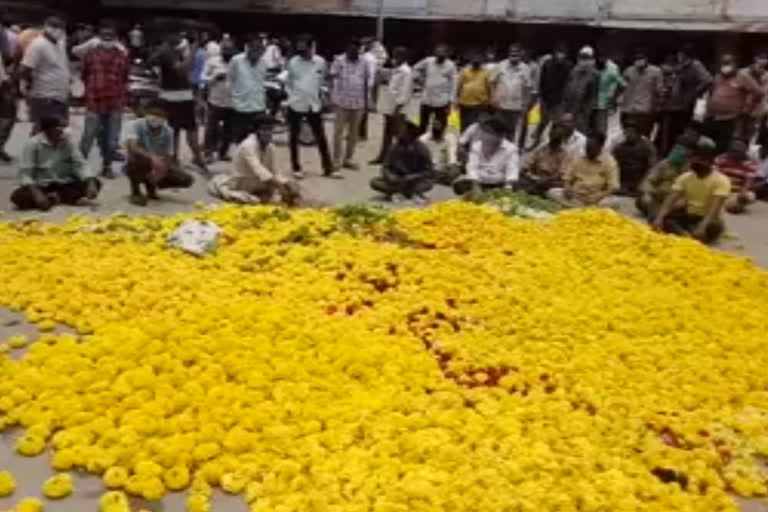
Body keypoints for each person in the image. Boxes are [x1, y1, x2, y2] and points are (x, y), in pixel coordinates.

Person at [11, 116, 100, 211]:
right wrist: (37, 193)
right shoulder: (33, 144)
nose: (64, 130)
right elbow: (25, 174)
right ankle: (52, 198)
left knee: (95, 183)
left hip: (63, 183)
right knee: (17, 197)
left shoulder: (68, 142)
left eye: (64, 126)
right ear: (49, 129)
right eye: (60, 127)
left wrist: (90, 181)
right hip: (41, 185)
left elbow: (80, 164)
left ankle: (55, 198)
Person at [77, 20, 130, 179]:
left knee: (111, 138)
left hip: (115, 102)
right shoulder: (90, 54)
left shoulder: (122, 55)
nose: (107, 38)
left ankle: (106, 167)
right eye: (104, 35)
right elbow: (84, 75)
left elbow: (125, 77)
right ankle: (79, 167)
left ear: (115, 38)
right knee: (88, 135)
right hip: (94, 100)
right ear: (99, 37)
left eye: (110, 35)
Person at [653, 136, 730, 244]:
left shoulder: (722, 181)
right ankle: (687, 236)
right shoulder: (685, 177)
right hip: (689, 215)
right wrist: (659, 218)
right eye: (692, 158)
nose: (692, 162)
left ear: (707, 162)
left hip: (709, 218)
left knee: (714, 228)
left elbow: (714, 209)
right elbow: (670, 199)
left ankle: (686, 234)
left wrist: (703, 226)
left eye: (697, 159)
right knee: (660, 218)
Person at [149, 31, 208, 172]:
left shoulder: (175, 51)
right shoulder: (166, 52)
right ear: (170, 35)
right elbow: (181, 70)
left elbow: (187, 71)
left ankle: (196, 158)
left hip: (184, 95)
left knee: (190, 129)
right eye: (179, 34)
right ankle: (175, 159)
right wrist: (193, 52)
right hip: (172, 97)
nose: (182, 38)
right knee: (175, 130)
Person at [209, 115, 299, 205]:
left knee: (289, 191)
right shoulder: (248, 145)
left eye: (270, 129)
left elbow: (275, 171)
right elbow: (258, 169)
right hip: (242, 184)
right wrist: (279, 186)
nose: (268, 133)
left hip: (259, 185)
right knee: (254, 201)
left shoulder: (271, 147)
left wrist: (287, 183)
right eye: (264, 130)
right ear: (257, 131)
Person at [124, 101, 194, 206]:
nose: (155, 118)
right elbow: (133, 147)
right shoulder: (135, 125)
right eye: (153, 113)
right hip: (137, 162)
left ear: (165, 117)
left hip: (158, 165)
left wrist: (163, 170)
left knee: (186, 179)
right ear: (146, 113)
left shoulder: (168, 131)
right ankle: (136, 192)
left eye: (160, 115)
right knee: (141, 160)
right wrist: (153, 159)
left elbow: (167, 155)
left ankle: (152, 186)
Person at [285, 34, 334, 178]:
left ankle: (327, 167)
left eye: (304, 48)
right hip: (296, 104)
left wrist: (324, 93)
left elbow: (323, 81)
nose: (302, 51)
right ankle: (296, 167)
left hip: (314, 105)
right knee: (293, 137)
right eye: (299, 48)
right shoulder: (293, 62)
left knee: (321, 137)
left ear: (311, 46)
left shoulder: (320, 62)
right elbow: (289, 82)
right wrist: (290, 97)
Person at [705, 54, 764, 154]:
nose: (725, 67)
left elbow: (758, 92)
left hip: (730, 118)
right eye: (724, 63)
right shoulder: (718, 76)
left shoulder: (742, 76)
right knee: (709, 144)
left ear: (734, 64)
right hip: (714, 116)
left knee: (724, 145)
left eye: (728, 63)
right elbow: (712, 92)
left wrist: (747, 107)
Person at [19, 17, 70, 131]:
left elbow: (62, 65)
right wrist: (24, 85)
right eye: (54, 27)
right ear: (46, 27)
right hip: (44, 97)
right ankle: (32, 149)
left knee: (59, 131)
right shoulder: (37, 45)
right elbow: (25, 68)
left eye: (61, 28)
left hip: (61, 96)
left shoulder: (60, 44)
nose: (58, 31)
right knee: (43, 132)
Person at [548, 132, 620, 208]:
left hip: (595, 197)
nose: (588, 149)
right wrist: (567, 188)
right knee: (552, 192)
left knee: (614, 202)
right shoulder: (579, 157)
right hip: (576, 194)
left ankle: (579, 207)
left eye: (591, 147)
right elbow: (567, 177)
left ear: (600, 146)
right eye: (587, 146)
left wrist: (599, 196)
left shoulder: (609, 161)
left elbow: (613, 187)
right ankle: (583, 208)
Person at [329, 38, 368, 172]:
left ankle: (348, 159)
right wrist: (331, 97)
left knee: (353, 133)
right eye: (352, 49)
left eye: (357, 49)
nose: (354, 51)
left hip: (358, 102)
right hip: (341, 102)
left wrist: (368, 101)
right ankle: (336, 160)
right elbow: (331, 78)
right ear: (347, 49)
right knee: (338, 133)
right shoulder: (339, 60)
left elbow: (366, 81)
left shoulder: (364, 62)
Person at [370, 120, 433, 202]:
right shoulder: (394, 146)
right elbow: (385, 166)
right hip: (396, 179)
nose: (399, 133)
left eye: (402, 131)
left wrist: (414, 176)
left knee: (428, 184)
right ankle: (406, 193)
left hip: (413, 181)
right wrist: (389, 175)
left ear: (410, 134)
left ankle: (399, 192)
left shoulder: (422, 149)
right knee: (374, 182)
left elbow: (428, 171)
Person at [453, 118, 519, 196]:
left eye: (490, 133)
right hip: (480, 181)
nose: (486, 136)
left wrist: (507, 189)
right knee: (458, 185)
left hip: (500, 183)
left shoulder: (511, 149)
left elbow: (512, 171)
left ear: (501, 135)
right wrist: (475, 186)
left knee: (520, 185)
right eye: (485, 132)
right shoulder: (476, 146)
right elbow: (472, 167)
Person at [371, 46, 412, 165]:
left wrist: (398, 108)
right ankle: (383, 157)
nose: (394, 58)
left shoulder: (406, 71)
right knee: (387, 133)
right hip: (389, 106)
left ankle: (400, 160)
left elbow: (405, 91)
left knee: (399, 136)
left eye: (396, 56)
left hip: (398, 108)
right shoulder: (396, 70)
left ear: (402, 57)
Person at [637, 134, 695, 218]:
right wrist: (647, 193)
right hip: (658, 197)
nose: (676, 151)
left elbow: (692, 194)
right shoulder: (665, 163)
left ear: (690, 152)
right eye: (676, 148)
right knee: (642, 201)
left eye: (680, 149)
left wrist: (679, 203)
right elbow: (649, 180)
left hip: (677, 202)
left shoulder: (693, 169)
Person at [228, 34, 269, 145]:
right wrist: (233, 99)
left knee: (259, 140)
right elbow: (229, 81)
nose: (257, 51)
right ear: (248, 47)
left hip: (258, 106)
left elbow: (261, 82)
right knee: (241, 142)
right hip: (240, 107)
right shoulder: (236, 60)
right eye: (254, 47)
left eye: (260, 48)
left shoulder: (264, 63)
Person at [490, 44, 532, 142]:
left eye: (517, 52)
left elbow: (528, 87)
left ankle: (509, 151)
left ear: (521, 54)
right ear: (509, 53)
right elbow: (492, 82)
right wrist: (493, 96)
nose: (514, 54)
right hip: (500, 104)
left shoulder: (525, 68)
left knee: (512, 130)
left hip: (516, 106)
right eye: (512, 52)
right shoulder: (501, 65)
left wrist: (525, 103)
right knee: (498, 129)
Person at [533, 43, 573, 148]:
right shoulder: (547, 63)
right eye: (559, 53)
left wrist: (565, 100)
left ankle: (555, 145)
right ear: (555, 53)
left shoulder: (568, 66)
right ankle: (536, 142)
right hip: (546, 99)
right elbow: (542, 80)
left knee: (557, 125)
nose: (561, 55)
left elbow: (568, 84)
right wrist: (540, 96)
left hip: (559, 101)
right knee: (542, 122)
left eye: (563, 53)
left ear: (566, 55)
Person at [414, 44, 457, 134]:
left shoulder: (451, 65)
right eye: (438, 52)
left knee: (438, 125)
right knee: (422, 124)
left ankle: (437, 138)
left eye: (442, 53)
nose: (440, 54)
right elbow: (415, 68)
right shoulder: (428, 61)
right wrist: (420, 79)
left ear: (446, 54)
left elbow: (454, 84)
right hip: (427, 99)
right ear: (435, 53)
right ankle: (421, 139)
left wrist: (451, 101)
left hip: (442, 101)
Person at [520, 121, 572, 196]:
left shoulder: (566, 154)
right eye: (554, 133)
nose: (555, 136)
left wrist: (545, 180)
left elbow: (560, 175)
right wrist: (527, 173)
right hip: (535, 180)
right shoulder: (541, 149)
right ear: (550, 134)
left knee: (554, 189)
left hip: (551, 184)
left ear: (562, 138)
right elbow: (527, 166)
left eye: (559, 136)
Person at [620, 49, 663, 138]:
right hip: (628, 109)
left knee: (644, 136)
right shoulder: (629, 70)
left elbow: (659, 90)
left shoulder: (656, 71)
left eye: (641, 59)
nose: (639, 61)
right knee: (628, 135)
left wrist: (658, 107)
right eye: (636, 59)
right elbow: (621, 86)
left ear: (646, 59)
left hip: (645, 111)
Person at [202, 45, 233, 162]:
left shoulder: (236, 64)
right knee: (211, 128)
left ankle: (223, 153)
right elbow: (203, 77)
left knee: (228, 130)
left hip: (232, 102)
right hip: (215, 100)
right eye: (226, 52)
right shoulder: (212, 62)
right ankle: (208, 153)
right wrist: (214, 78)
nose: (228, 55)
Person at [611, 119, 658, 195]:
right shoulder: (619, 147)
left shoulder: (647, 147)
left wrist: (644, 183)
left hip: (640, 180)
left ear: (638, 134)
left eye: (631, 132)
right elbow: (612, 165)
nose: (629, 135)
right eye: (626, 132)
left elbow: (652, 167)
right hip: (623, 181)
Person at [561, 46, 599, 135]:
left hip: (582, 114)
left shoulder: (594, 75)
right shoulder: (573, 71)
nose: (584, 60)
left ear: (592, 59)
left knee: (579, 136)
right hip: (568, 112)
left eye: (587, 58)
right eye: (582, 57)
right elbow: (566, 92)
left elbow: (591, 98)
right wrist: (565, 111)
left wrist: (575, 114)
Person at [676, 44, 713, 133]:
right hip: (684, 100)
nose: (678, 57)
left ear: (685, 55)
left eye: (680, 55)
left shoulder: (696, 65)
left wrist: (696, 91)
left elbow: (707, 80)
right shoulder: (681, 67)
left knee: (695, 125)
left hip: (696, 101)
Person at [715, 138, 758, 214]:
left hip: (736, 192)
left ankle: (734, 204)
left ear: (745, 149)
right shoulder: (722, 158)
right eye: (735, 147)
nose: (737, 149)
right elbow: (715, 174)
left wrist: (742, 193)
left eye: (740, 147)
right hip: (720, 189)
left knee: (750, 196)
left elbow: (749, 180)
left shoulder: (750, 163)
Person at [654, 54, 684, 157]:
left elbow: (672, 92)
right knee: (664, 131)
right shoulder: (667, 74)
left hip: (670, 108)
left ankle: (664, 152)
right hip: (666, 107)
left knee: (666, 132)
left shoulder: (674, 76)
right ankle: (662, 151)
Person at [457, 50, 491, 132]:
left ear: (482, 60)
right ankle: (463, 143)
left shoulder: (487, 72)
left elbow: (490, 88)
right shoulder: (464, 71)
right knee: (464, 126)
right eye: (474, 58)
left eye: (479, 58)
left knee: (477, 127)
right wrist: (457, 99)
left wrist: (489, 101)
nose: (476, 60)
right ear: (471, 59)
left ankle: (474, 144)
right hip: (465, 103)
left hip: (480, 104)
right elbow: (459, 86)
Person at [419, 117, 458, 185]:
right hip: (427, 168)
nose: (436, 132)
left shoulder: (450, 138)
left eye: (439, 129)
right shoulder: (423, 139)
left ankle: (435, 179)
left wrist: (452, 166)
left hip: (443, 170)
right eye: (434, 129)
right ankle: (435, 179)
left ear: (444, 128)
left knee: (455, 171)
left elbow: (452, 158)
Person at [593, 52, 625, 137]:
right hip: (591, 102)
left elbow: (623, 84)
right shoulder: (594, 71)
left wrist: (613, 96)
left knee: (601, 127)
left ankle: (601, 142)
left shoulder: (611, 72)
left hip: (603, 103)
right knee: (592, 126)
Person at [742, 52, 768, 143]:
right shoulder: (743, 73)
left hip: (757, 111)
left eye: (765, 59)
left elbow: (764, 93)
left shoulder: (766, 75)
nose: (764, 61)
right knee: (738, 133)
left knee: (752, 134)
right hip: (742, 108)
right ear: (755, 59)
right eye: (762, 58)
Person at [358, 37, 378, 141]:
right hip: (359, 87)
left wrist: (367, 88)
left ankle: (362, 134)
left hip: (364, 88)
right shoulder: (362, 56)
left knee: (362, 111)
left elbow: (371, 75)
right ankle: (359, 132)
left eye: (364, 44)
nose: (362, 46)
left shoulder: (369, 58)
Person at [0, 30, 15, 162]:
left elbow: (7, 57)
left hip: (3, 82)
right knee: (7, 116)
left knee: (8, 116)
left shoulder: (4, 34)